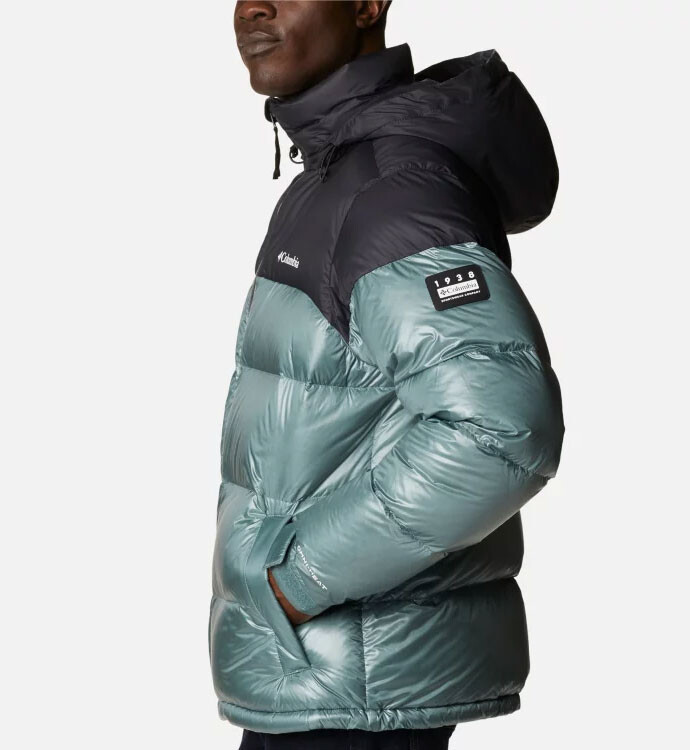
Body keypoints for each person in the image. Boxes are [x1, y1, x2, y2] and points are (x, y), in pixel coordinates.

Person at [211, 2, 565, 749]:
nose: (253, 8)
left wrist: (296, 579)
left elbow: (501, 428)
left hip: (354, 688)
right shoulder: (340, 173)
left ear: (368, 4)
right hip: (324, 678)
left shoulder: (392, 189)